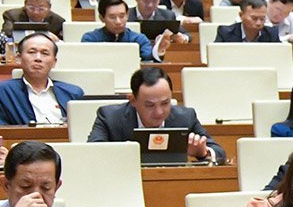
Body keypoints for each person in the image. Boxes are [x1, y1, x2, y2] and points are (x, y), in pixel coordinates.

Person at [89, 66, 221, 162]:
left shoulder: (185, 117)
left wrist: (203, 152)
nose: (159, 112)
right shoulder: (110, 118)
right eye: (150, 105)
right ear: (133, 100)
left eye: (165, 103)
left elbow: (219, 152)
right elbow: (92, 154)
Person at [0, 32, 85, 133]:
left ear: (54, 62)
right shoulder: (4, 91)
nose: (38, 58)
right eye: (32, 52)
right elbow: (3, 132)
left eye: (45, 53)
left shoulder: (73, 93)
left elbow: (82, 130)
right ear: (19, 58)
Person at [78, 0, 158, 61]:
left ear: (127, 15)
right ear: (101, 18)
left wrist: (159, 50)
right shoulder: (90, 39)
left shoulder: (139, 39)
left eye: (122, 16)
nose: (118, 21)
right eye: (112, 17)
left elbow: (148, 60)